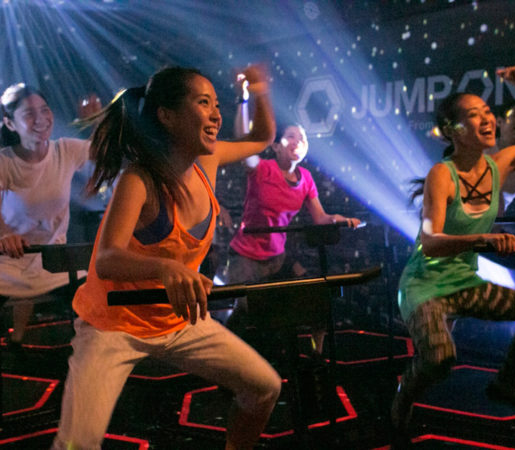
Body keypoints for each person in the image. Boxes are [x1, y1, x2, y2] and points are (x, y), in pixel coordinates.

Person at [51, 64, 282, 450]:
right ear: (167, 116)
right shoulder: (138, 180)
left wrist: (259, 89)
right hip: (114, 325)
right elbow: (107, 258)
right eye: (203, 103)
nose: (216, 114)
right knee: (78, 443)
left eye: (216, 104)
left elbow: (261, 137)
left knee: (265, 388)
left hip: (178, 321)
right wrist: (165, 267)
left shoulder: (207, 162)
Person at [391, 65, 515, 446]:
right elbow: (431, 242)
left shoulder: (501, 163)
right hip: (425, 286)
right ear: (454, 130)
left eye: (488, 112)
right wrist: (483, 239)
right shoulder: (442, 174)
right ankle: (404, 395)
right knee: (439, 358)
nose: (488, 118)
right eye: (475, 115)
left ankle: (505, 383)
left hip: (465, 283)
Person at [223, 80, 360, 352]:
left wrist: (343, 220)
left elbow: (320, 218)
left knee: (316, 296)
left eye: (303, 138)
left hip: (278, 259)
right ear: (276, 146)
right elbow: (245, 143)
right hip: (245, 258)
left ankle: (316, 354)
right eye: (291, 136)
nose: (298, 141)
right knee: (244, 315)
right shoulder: (262, 168)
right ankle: (226, 360)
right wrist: (243, 100)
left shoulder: (306, 178)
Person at [0, 84, 99, 348]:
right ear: (10, 123)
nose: (41, 118)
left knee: (95, 299)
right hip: (7, 262)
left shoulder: (65, 150)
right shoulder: (4, 161)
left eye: (44, 110)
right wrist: (5, 235)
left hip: (53, 260)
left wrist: (96, 122)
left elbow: (105, 152)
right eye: (29, 114)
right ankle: (16, 341)